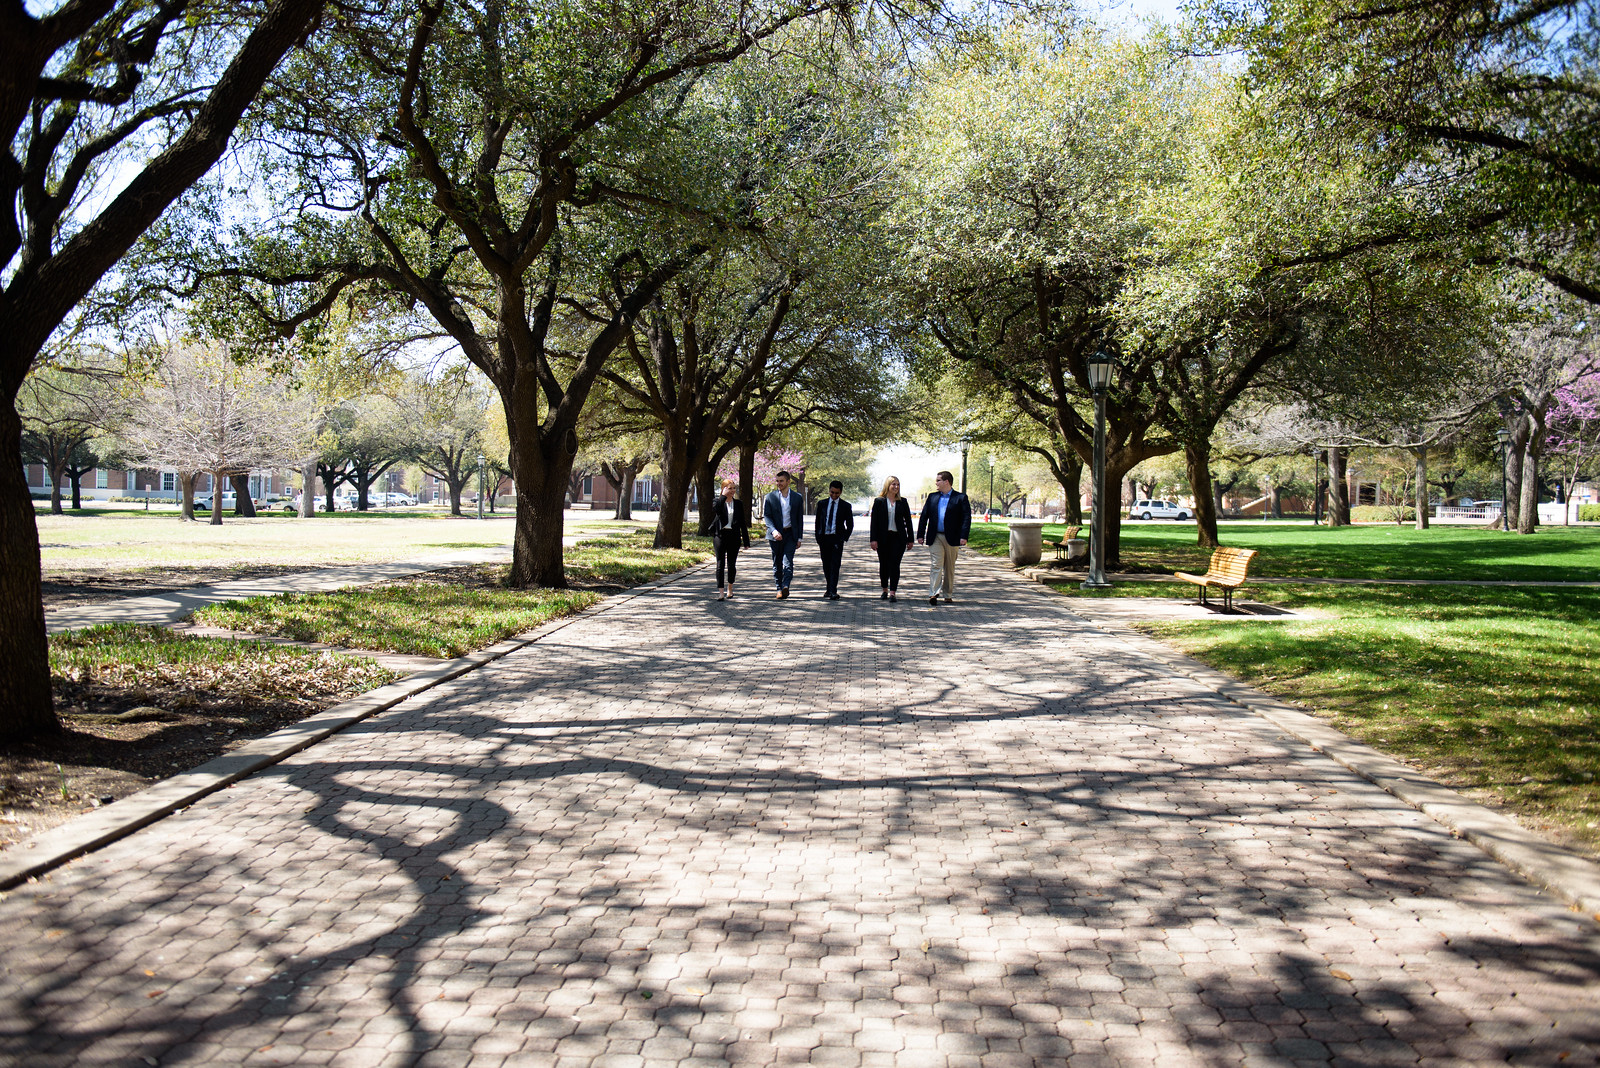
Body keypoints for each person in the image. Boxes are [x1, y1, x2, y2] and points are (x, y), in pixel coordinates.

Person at [916, 470, 972, 605]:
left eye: (938, 480)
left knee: (949, 567)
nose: (936, 483)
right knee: (936, 564)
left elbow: (966, 518)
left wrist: (963, 536)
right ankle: (933, 593)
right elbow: (924, 516)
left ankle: (948, 594)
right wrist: (920, 534)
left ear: (946, 482)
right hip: (935, 536)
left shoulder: (960, 498)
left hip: (952, 537)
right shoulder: (933, 497)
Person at [868, 475, 914, 602]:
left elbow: (908, 521)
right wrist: (873, 539)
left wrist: (910, 539)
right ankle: (885, 589)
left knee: (895, 564)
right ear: (887, 485)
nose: (896, 487)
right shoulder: (879, 501)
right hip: (883, 538)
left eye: (898, 484)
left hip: (898, 538)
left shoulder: (902, 502)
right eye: (893, 484)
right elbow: (874, 522)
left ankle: (893, 592)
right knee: (884, 565)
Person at [762, 470, 805, 599]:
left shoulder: (797, 498)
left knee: (788, 561)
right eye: (777, 481)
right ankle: (779, 588)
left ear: (788, 481)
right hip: (775, 535)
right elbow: (767, 516)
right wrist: (773, 530)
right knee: (777, 563)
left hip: (790, 534)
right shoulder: (770, 497)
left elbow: (799, 519)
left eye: (781, 481)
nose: (779, 483)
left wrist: (799, 538)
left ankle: (786, 585)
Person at [707, 477, 751, 600]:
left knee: (731, 564)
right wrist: (723, 497)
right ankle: (721, 592)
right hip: (720, 536)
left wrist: (746, 541)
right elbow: (716, 510)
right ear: (723, 489)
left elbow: (742, 522)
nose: (732, 491)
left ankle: (730, 588)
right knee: (720, 564)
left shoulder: (738, 504)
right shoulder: (717, 501)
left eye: (733, 488)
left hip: (734, 536)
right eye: (729, 488)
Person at [813, 479, 854, 600]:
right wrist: (818, 537)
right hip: (824, 538)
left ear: (840, 492)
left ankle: (833, 590)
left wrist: (844, 537)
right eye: (832, 492)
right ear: (829, 491)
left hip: (837, 539)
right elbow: (818, 522)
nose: (834, 495)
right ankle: (829, 588)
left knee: (835, 565)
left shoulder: (845, 506)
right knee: (826, 564)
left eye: (837, 493)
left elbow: (850, 524)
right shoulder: (822, 504)